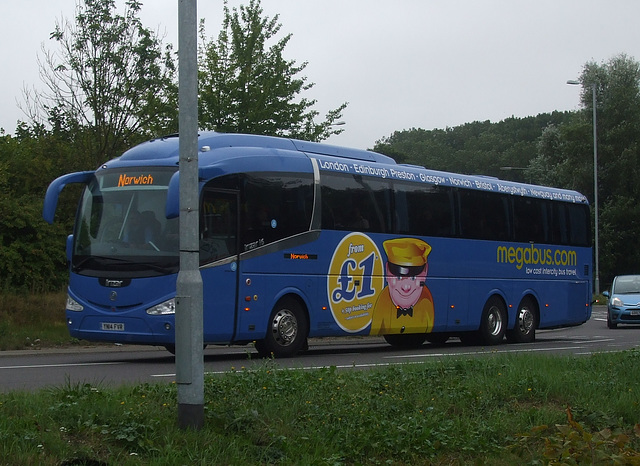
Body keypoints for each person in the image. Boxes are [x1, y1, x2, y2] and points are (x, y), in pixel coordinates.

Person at [370, 237, 434, 335]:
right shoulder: (383, 301)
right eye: (398, 277)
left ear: (425, 272)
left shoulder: (426, 301)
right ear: (387, 271)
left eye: (413, 277)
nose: (406, 287)